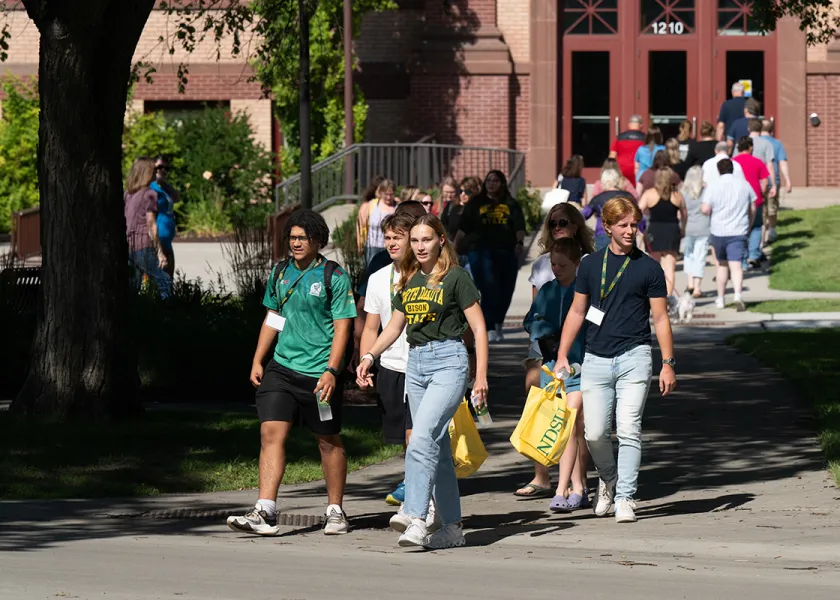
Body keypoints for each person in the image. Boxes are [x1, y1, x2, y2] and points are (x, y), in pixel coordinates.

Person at [356, 214, 489, 549]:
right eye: (414, 241)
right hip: (416, 365)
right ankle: (453, 528)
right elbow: (393, 326)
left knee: (421, 439)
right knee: (438, 449)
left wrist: (481, 376)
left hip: (449, 362)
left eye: (425, 239)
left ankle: (415, 517)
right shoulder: (411, 280)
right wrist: (370, 356)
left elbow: (479, 329)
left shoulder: (456, 277)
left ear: (440, 240)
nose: (419, 246)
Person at [227, 209, 357, 537]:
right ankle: (265, 510)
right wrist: (258, 359)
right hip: (282, 369)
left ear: (318, 241)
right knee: (271, 433)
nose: (296, 243)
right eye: (292, 237)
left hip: (319, 375)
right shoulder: (280, 272)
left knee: (328, 441)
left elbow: (343, 328)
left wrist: (331, 370)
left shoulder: (334, 276)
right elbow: (274, 318)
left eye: (303, 238)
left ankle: (335, 510)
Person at [555, 196, 677, 524]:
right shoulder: (591, 266)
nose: (629, 230)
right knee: (594, 433)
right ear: (606, 226)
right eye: (622, 224)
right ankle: (608, 479)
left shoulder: (649, 268)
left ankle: (625, 496)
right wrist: (563, 353)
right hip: (595, 358)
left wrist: (668, 363)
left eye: (633, 224)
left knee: (629, 429)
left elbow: (661, 319)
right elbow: (578, 311)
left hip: (634, 357)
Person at [515, 203, 594, 498]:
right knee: (545, 409)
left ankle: (579, 483)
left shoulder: (588, 263)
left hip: (579, 355)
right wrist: (537, 334)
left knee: (576, 421)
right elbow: (534, 312)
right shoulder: (542, 266)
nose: (557, 227)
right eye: (552, 223)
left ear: (575, 225)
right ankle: (543, 475)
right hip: (547, 352)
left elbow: (595, 310)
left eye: (563, 222)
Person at [359, 213, 417, 507]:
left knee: (414, 435)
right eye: (388, 238)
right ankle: (420, 482)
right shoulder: (378, 278)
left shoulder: (428, 276)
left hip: (423, 366)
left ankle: (415, 488)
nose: (392, 243)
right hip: (391, 366)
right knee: (403, 436)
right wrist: (365, 362)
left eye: (398, 237)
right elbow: (371, 327)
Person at [455, 170, 526, 343]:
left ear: (502, 183)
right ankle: (489, 326)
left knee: (506, 289)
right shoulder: (475, 203)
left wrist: (519, 244)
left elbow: (520, 227)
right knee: (488, 287)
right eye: (489, 180)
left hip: (506, 251)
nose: (491, 183)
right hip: (479, 251)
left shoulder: (511, 204)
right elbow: (462, 228)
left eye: (495, 181)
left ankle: (498, 321)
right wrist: (455, 247)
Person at [701, 159, 756, 311]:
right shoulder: (744, 185)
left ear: (719, 171)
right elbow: (753, 207)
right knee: (736, 265)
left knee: (722, 265)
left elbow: (705, 209)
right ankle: (738, 295)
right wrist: (749, 224)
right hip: (738, 230)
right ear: (733, 169)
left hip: (719, 230)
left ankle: (720, 298)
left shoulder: (713, 186)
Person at [124, 156, 171, 298]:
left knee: (134, 285)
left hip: (129, 245)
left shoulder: (128, 194)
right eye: (154, 169)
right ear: (147, 172)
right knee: (164, 281)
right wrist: (160, 252)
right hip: (144, 245)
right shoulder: (149, 194)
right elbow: (151, 224)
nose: (156, 172)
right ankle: (169, 312)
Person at [639, 167, 687, 300]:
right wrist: (683, 228)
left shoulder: (650, 194)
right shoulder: (677, 195)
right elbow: (684, 213)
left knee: (654, 266)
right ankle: (668, 298)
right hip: (672, 231)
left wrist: (639, 228)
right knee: (670, 268)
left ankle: (654, 297)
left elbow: (638, 210)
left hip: (655, 231)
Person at [732, 136, 771, 269]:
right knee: (756, 227)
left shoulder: (733, 162)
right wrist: (762, 194)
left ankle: (742, 260)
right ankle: (754, 255)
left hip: (738, 201)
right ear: (750, 148)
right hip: (756, 199)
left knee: (740, 229)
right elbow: (765, 182)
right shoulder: (758, 162)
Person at [680, 166, 710, 298]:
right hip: (703, 227)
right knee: (700, 257)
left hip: (688, 228)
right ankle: (697, 288)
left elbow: (680, 212)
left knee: (688, 255)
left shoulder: (683, 192)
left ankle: (690, 283)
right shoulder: (705, 190)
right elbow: (708, 208)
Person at [761, 119, 792, 243]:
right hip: (773, 181)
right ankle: (772, 231)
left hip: (757, 181)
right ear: (771, 130)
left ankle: (761, 235)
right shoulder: (777, 144)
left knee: (761, 210)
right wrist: (788, 181)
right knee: (772, 208)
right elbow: (782, 162)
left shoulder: (753, 142)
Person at [584, 169, 630, 251]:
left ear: (603, 182)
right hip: (625, 234)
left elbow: (583, 215)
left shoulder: (597, 199)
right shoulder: (628, 197)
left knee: (602, 262)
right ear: (617, 180)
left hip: (603, 234)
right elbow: (639, 216)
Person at [357, 178, 398, 266]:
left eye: (391, 194)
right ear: (381, 192)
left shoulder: (397, 207)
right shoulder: (371, 205)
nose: (388, 197)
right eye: (386, 194)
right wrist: (360, 245)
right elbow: (361, 225)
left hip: (390, 247)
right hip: (372, 247)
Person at [151, 156, 177, 278]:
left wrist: (163, 183)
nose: (163, 170)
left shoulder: (163, 188)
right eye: (159, 167)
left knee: (169, 276)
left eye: (166, 168)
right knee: (160, 279)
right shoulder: (150, 187)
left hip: (166, 239)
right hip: (158, 239)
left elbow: (177, 197)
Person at [609, 114, 646, 186]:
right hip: (638, 171)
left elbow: (612, 156)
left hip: (622, 170)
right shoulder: (645, 138)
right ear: (641, 125)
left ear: (629, 125)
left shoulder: (619, 137)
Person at [441, 176, 479, 240]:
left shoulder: (478, 208)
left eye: (467, 192)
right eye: (461, 191)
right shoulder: (451, 206)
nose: (463, 194)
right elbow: (443, 225)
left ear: (473, 192)